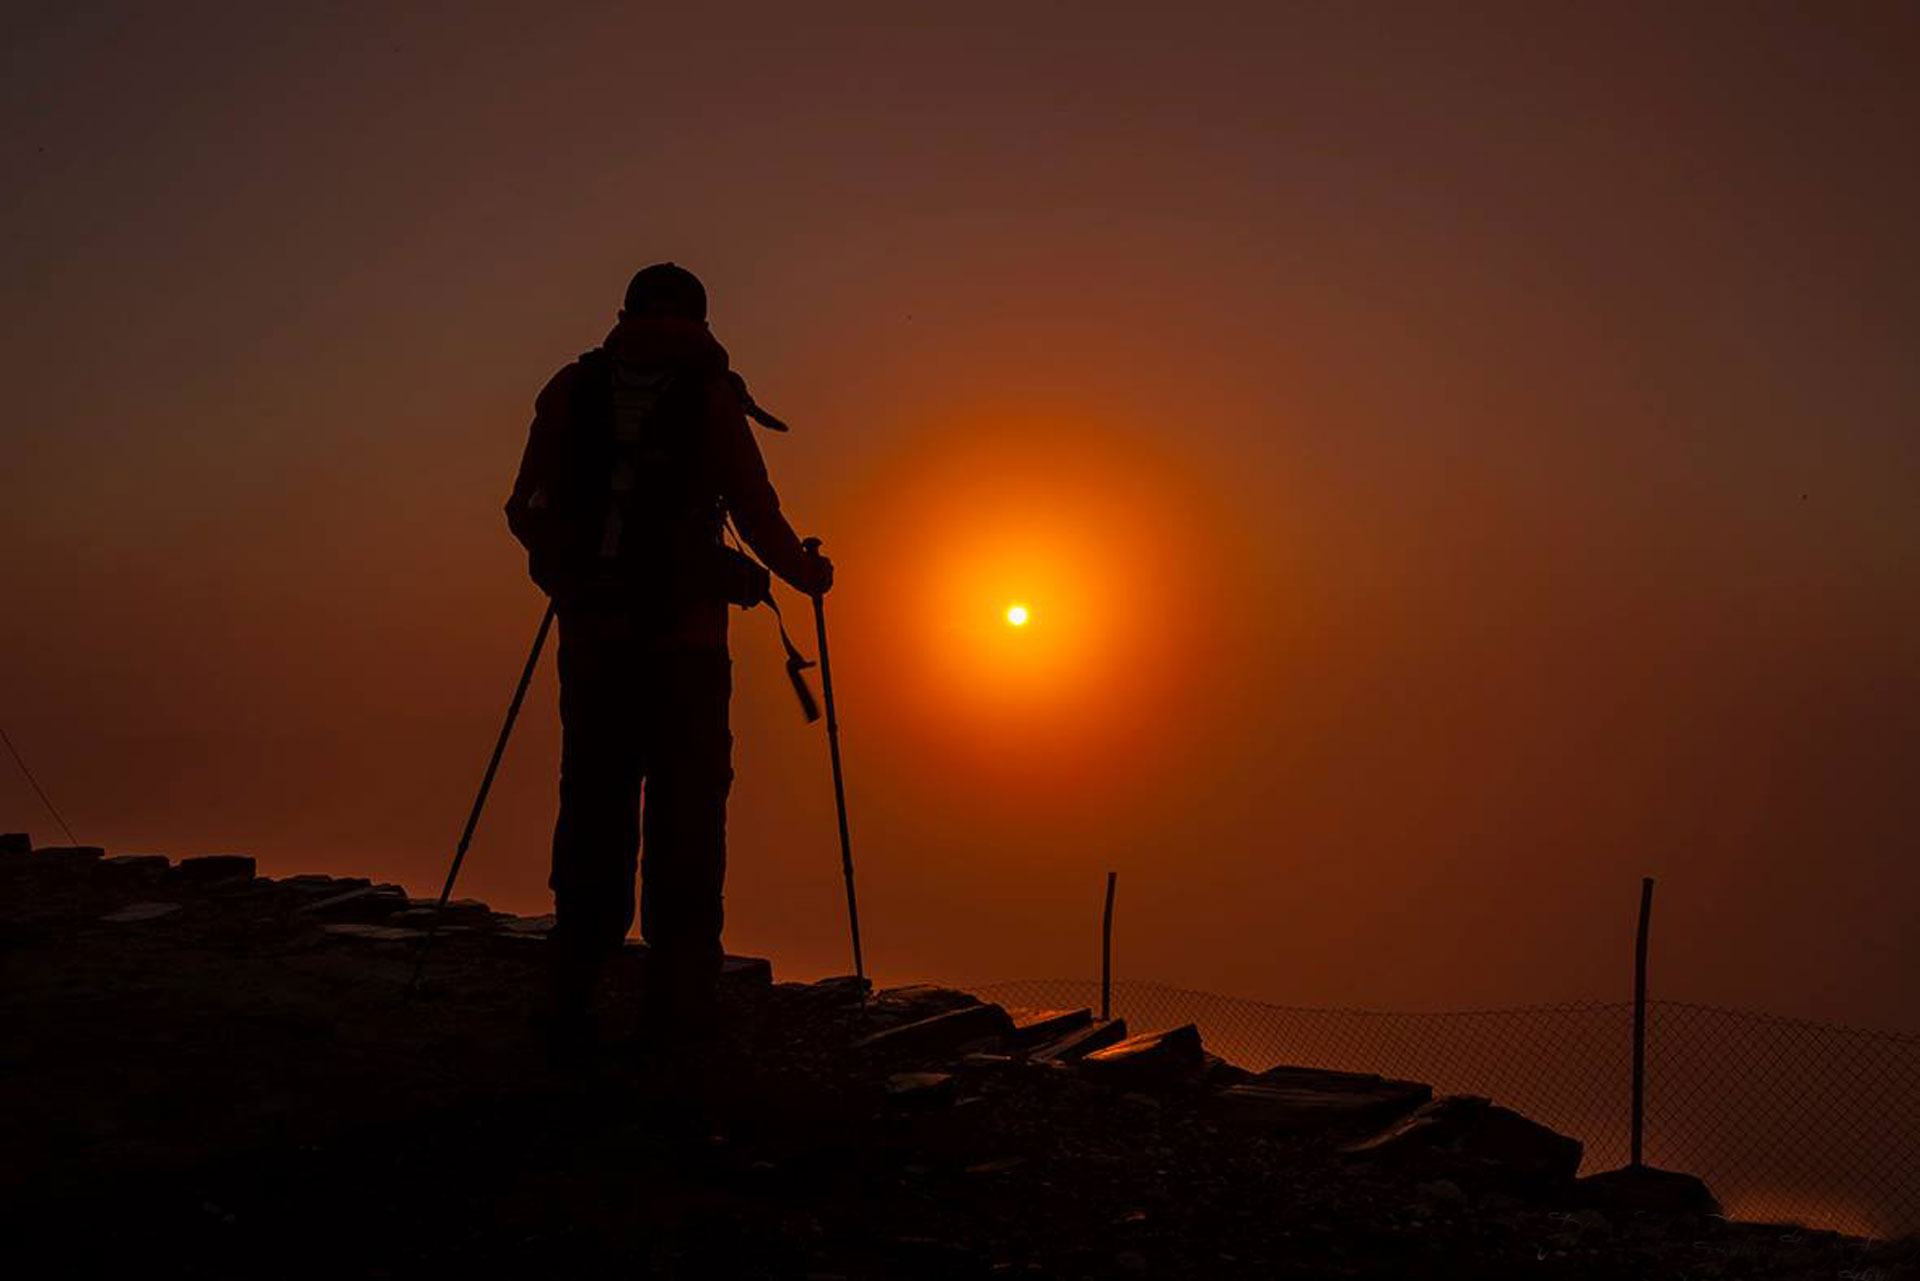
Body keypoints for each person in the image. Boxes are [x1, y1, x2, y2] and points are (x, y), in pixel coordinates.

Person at [504, 263, 831, 1053]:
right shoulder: (711, 395)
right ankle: (678, 1011)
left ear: (624, 312)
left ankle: (573, 994)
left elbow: (524, 506)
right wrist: (805, 574)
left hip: (591, 640)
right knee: (688, 819)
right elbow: (755, 508)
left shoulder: (572, 388)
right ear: (702, 318)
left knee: (592, 804)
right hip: (686, 647)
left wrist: (572, 577)